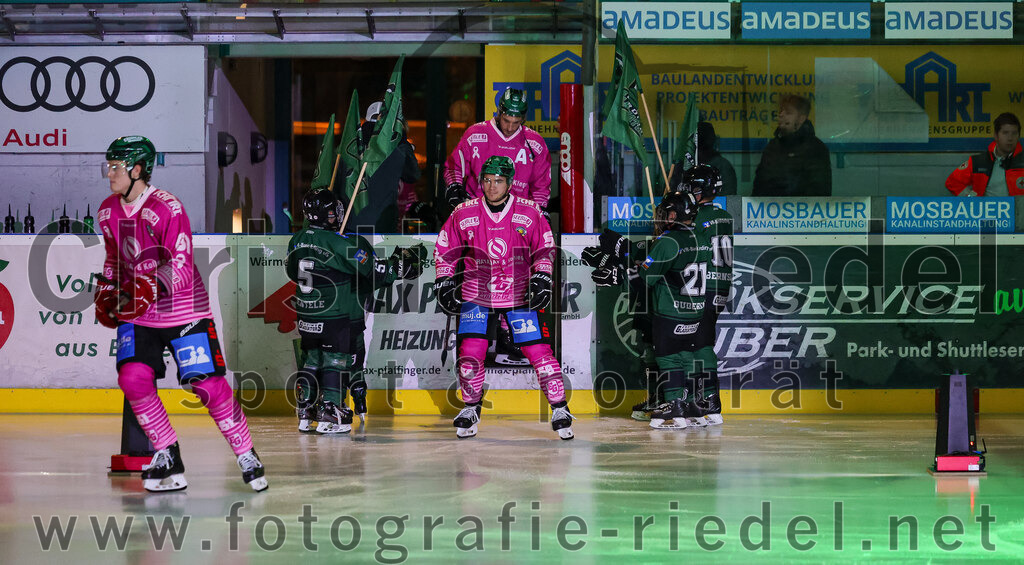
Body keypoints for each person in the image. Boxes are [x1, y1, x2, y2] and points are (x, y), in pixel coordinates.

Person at [93, 136, 267, 492]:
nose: (109, 174)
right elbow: (114, 259)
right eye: (108, 166)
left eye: (116, 167)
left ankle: (246, 453)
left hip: (183, 309)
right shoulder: (107, 211)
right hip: (138, 314)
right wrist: (108, 288)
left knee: (207, 385)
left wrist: (150, 286)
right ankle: (167, 453)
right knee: (133, 378)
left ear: (137, 170)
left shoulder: (168, 208)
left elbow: (183, 265)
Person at [434, 156, 574, 439]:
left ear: (510, 183)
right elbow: (445, 248)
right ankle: (471, 407)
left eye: (498, 181)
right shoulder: (464, 212)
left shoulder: (530, 211)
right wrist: (444, 281)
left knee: (538, 352)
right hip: (476, 291)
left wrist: (542, 276)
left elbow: (545, 247)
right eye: (486, 180)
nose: (491, 186)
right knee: (470, 354)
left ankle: (560, 407)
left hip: (518, 291)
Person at [287, 189, 426, 433]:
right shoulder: (339, 244)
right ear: (329, 214)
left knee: (312, 359)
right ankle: (331, 411)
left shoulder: (296, 239)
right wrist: (398, 267)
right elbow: (373, 270)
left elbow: (290, 270)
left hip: (307, 314)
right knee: (335, 359)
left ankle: (306, 410)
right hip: (335, 314)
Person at [590, 191, 711, 429]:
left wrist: (616, 275)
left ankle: (673, 406)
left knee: (667, 358)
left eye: (666, 213)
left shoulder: (668, 241)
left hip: (670, 311)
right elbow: (667, 265)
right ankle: (688, 405)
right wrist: (628, 252)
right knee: (686, 357)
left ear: (674, 214)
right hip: (695, 311)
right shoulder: (701, 238)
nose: (661, 217)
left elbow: (645, 279)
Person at [443, 88, 552, 211]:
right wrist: (454, 188)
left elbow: (541, 187)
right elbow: (454, 167)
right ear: (499, 112)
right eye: (506, 121)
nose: (510, 128)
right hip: (476, 211)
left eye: (516, 122)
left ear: (523, 118)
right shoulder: (474, 134)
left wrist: (539, 212)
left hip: (516, 216)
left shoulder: (536, 143)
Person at [681, 164, 732, 425]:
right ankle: (706, 400)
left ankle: (705, 400)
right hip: (721, 287)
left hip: (702, 286)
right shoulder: (724, 216)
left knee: (694, 344)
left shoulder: (698, 217)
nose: (688, 191)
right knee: (703, 341)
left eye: (691, 187)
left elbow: (687, 247)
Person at [345, 102, 421, 233]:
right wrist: (401, 139)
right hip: (383, 224)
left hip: (351, 223)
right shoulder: (396, 148)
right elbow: (413, 175)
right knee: (381, 253)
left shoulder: (350, 147)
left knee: (356, 253)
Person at [752, 94, 831, 197]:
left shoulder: (816, 148)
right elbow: (759, 187)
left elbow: (819, 191)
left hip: (803, 210)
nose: (781, 115)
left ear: (801, 119)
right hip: (770, 210)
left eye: (788, 113)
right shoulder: (772, 146)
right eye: (781, 111)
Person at [946, 112, 1024, 197]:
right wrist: (972, 198)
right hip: (987, 209)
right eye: (1005, 133)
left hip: (1017, 210)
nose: (1010, 138)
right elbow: (952, 182)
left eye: (1014, 133)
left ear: (1019, 136)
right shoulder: (978, 162)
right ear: (996, 135)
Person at [668, 121, 737, 196]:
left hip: (712, 206)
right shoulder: (683, 165)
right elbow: (670, 192)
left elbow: (729, 199)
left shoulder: (722, 166)